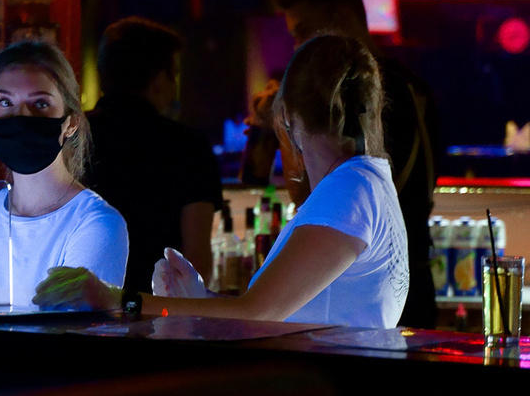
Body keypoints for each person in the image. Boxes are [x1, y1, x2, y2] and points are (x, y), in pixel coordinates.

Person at [35, 35, 409, 329]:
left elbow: (257, 313)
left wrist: (115, 300)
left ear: (288, 117)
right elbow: (275, 311)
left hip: (323, 394)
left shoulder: (348, 191)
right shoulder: (364, 181)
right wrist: (200, 299)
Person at [269, 0, 440, 328]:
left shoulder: (366, 95)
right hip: (401, 276)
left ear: (340, 18)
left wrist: (288, 124)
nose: (298, 48)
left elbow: (312, 197)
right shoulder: (406, 85)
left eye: (305, 31)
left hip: (376, 286)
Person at [0, 40, 128, 308]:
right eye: (5, 102)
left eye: (40, 103)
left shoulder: (96, 223)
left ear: (71, 123)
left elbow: (70, 324)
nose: (21, 115)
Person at [85, 17, 222, 292]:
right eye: (174, 75)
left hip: (79, 303)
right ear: (159, 80)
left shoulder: (70, 137)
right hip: (159, 307)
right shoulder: (188, 145)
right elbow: (196, 263)